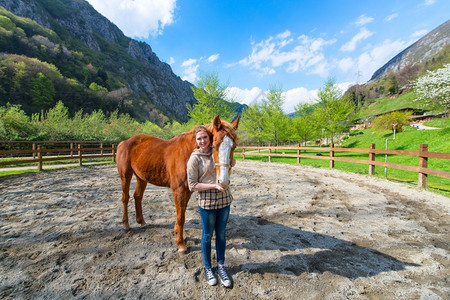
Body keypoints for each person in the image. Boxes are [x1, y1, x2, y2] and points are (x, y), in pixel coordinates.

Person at [186, 125, 235, 287]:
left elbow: (227, 163)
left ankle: (221, 265)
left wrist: (231, 162)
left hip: (224, 200)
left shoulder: (218, 150)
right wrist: (214, 186)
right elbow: (192, 185)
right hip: (206, 203)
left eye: (205, 137)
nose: (202, 141)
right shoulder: (195, 158)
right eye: (199, 138)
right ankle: (208, 268)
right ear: (195, 140)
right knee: (207, 235)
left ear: (210, 137)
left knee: (221, 234)